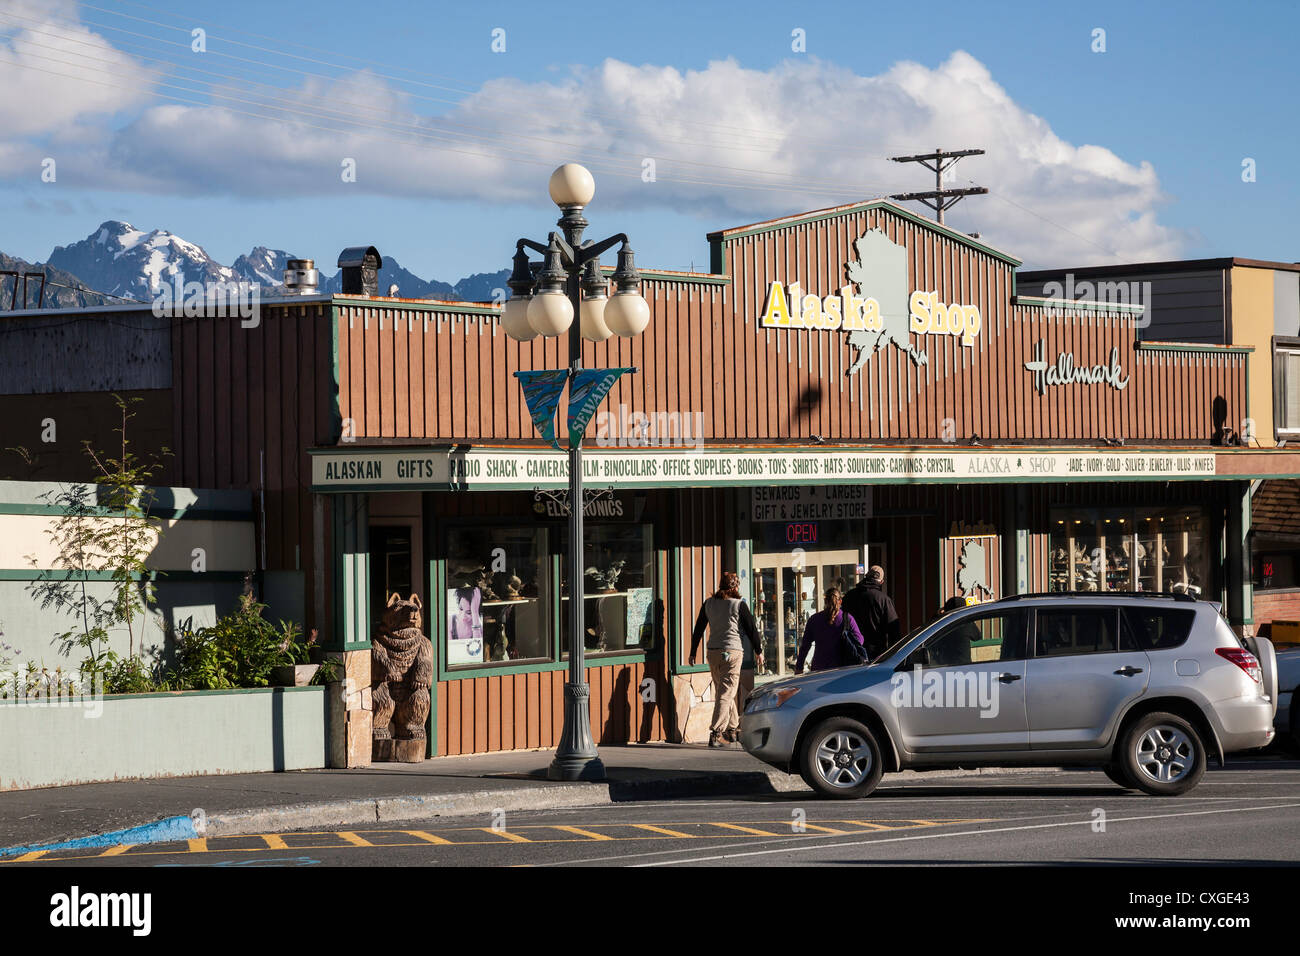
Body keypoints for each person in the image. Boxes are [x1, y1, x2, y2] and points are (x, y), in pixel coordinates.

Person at [689, 571, 766, 748]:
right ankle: (715, 733)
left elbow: (699, 628)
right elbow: (752, 630)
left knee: (725, 691)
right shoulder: (739, 605)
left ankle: (732, 730)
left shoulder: (709, 603)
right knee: (726, 693)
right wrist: (759, 651)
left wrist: (693, 651)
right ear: (735, 587)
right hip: (732, 652)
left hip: (713, 653)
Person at [795, 587, 866, 673]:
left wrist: (799, 667)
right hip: (842, 668)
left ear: (825, 601)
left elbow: (805, 646)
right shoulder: (847, 619)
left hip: (819, 667)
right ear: (840, 601)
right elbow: (859, 640)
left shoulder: (814, 619)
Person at [842, 565, 900, 660]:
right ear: (881, 582)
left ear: (866, 576)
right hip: (876, 653)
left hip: (852, 651)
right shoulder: (883, 599)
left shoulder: (849, 596)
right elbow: (894, 630)